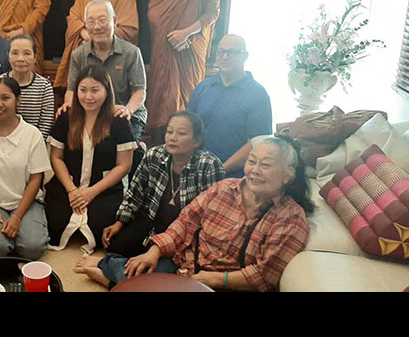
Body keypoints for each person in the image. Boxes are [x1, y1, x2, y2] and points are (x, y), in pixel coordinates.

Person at [76, 135, 313, 292]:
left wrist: (212, 279)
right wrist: (154, 251)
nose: (255, 170)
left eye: (266, 165)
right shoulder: (224, 188)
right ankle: (114, 269)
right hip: (187, 265)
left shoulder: (291, 219)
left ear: (288, 175)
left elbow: (264, 275)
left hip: (229, 285)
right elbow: (185, 222)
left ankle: (111, 278)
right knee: (138, 268)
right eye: (252, 161)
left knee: (137, 282)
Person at [101, 111, 225, 258]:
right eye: (169, 132)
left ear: (196, 141)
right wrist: (120, 222)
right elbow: (135, 193)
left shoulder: (209, 165)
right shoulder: (154, 155)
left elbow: (211, 215)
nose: (173, 138)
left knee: (168, 264)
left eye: (181, 133)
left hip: (186, 232)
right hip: (153, 221)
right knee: (115, 247)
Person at [46, 65, 137, 255]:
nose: (88, 97)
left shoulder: (119, 120)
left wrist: (91, 192)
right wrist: (72, 190)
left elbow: (124, 165)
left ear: (107, 90)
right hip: (68, 184)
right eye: (83, 90)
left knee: (104, 228)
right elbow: (56, 157)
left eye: (95, 90)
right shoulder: (66, 117)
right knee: (54, 222)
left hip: (103, 188)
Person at [145, 0, 221, 145]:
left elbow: (212, 13)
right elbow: (153, 14)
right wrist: (172, 35)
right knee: (163, 97)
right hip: (165, 46)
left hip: (192, 47)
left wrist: (187, 33)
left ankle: (188, 145)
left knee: (190, 94)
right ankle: (162, 145)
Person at [0, 76, 52, 260]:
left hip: (26, 202)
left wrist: (17, 216)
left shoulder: (32, 134)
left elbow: (36, 179)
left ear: (18, 100)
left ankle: (18, 234)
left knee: (33, 248)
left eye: (5, 98)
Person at [61, 0, 147, 145]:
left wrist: (128, 110)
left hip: (125, 115)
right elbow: (71, 91)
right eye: (91, 22)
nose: (97, 27)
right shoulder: (78, 54)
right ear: (85, 25)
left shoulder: (131, 53)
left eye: (102, 20)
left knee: (125, 148)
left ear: (114, 21)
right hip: (91, 114)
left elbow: (139, 91)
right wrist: (69, 106)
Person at [187, 34, 272, 178]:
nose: (225, 57)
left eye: (232, 52)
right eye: (221, 52)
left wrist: (220, 170)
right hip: (196, 170)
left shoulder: (258, 95)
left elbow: (257, 142)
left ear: (245, 56)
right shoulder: (203, 87)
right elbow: (188, 126)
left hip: (233, 177)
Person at [54, 0, 139, 89]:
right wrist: (84, 33)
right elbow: (73, 18)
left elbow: (129, 28)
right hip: (86, 51)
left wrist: (100, 37)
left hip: (114, 53)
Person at [0, 34, 54, 140]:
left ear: (35, 57)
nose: (20, 59)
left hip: (33, 143)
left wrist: (29, 144)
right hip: (0, 141)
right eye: (15, 53)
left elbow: (45, 125)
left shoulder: (44, 86)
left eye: (27, 53)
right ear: (8, 56)